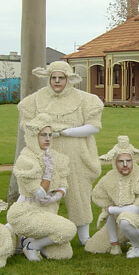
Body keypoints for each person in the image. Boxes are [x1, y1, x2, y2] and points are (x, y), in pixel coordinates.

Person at [17, 60, 103, 245]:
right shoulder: (35, 99)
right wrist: (43, 132)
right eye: (53, 77)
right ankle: (30, 230)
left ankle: (84, 236)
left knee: (78, 193)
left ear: (68, 79)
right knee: (38, 191)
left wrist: (65, 132)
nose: (57, 81)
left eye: (61, 78)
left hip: (76, 155)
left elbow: (94, 127)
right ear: (48, 78)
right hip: (45, 153)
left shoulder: (85, 99)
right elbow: (26, 125)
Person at [6, 112, 77, 261]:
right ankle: (31, 245)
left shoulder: (56, 157)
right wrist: (48, 171)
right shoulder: (26, 159)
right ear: (34, 136)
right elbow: (40, 193)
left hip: (48, 210)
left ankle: (28, 240)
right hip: (26, 211)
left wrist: (55, 197)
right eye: (43, 135)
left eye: (50, 135)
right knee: (68, 229)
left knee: (63, 254)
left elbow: (64, 185)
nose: (47, 139)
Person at [85, 136, 139, 259]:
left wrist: (110, 210)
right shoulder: (108, 179)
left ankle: (138, 247)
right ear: (114, 162)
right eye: (121, 161)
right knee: (92, 247)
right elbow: (108, 212)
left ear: (133, 160)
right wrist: (113, 243)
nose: (125, 164)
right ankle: (121, 240)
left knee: (125, 220)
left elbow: (136, 209)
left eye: (128, 160)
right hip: (118, 222)